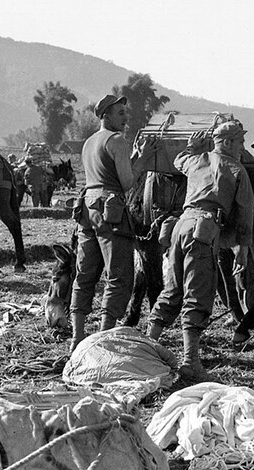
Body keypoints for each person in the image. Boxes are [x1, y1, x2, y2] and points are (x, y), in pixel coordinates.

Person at [146, 121, 254, 383]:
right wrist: (243, 249)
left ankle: (147, 347)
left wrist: (192, 146)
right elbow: (245, 214)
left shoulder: (195, 160)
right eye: (240, 141)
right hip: (204, 230)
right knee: (198, 293)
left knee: (172, 288)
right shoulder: (236, 169)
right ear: (228, 142)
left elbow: (178, 161)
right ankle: (190, 361)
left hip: (180, 226)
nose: (242, 147)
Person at [68, 94, 158, 352]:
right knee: (119, 276)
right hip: (111, 212)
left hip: (87, 209)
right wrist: (143, 159)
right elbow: (127, 182)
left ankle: (78, 337)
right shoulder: (117, 140)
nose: (125, 117)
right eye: (120, 113)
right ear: (106, 115)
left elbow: (105, 174)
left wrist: (133, 160)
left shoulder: (88, 143)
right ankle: (103, 339)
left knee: (85, 275)